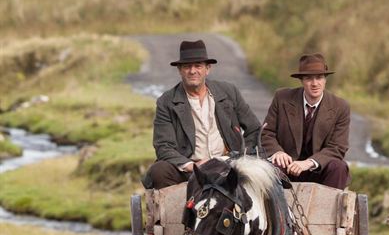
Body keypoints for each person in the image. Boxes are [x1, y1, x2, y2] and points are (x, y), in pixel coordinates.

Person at [142, 39, 261, 189]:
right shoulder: (166, 101)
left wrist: (241, 157)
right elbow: (163, 146)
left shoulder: (228, 92)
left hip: (228, 165)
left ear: (207, 68)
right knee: (159, 171)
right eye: (187, 67)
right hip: (191, 169)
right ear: (180, 70)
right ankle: (176, 209)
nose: (193, 71)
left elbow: (254, 129)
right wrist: (192, 166)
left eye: (198, 66)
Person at [261, 53, 350, 189]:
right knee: (273, 167)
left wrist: (309, 162)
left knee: (338, 167)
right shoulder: (282, 98)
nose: (315, 83)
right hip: (287, 167)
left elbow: (338, 147)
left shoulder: (340, 106)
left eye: (319, 78)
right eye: (309, 78)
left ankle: (327, 209)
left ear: (325, 79)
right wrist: (277, 152)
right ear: (301, 81)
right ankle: (275, 209)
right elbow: (267, 133)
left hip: (319, 169)